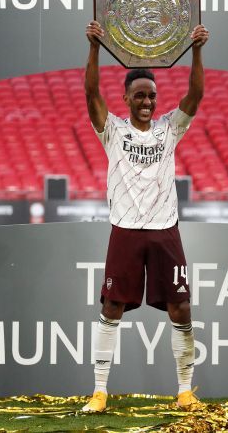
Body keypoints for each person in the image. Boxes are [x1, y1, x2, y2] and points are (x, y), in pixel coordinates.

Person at [81, 20, 209, 413]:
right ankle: (100, 391)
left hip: (164, 230)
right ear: (126, 98)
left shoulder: (169, 129)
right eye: (139, 95)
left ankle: (185, 390)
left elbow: (196, 94)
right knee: (111, 309)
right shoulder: (113, 131)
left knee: (182, 309)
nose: (147, 101)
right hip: (125, 231)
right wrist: (95, 48)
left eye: (151, 95)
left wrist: (197, 50)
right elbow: (90, 92)